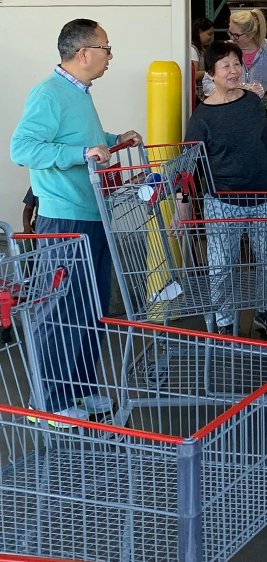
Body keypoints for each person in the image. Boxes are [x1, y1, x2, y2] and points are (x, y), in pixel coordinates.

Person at [10, 18, 142, 424]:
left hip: (91, 213)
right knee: (61, 309)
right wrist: (82, 152)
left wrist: (113, 138)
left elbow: (77, 137)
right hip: (64, 219)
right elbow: (23, 147)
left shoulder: (78, 94)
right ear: (83, 53)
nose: (110, 55)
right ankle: (47, 401)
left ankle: (80, 389)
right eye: (106, 47)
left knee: (91, 306)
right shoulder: (48, 93)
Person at [184, 41, 267, 338]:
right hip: (222, 201)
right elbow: (191, 165)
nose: (233, 70)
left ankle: (265, 312)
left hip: (264, 196)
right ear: (211, 74)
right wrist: (183, 201)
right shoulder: (202, 117)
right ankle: (224, 322)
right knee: (221, 267)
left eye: (237, 63)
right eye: (225, 65)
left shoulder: (252, 101)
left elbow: (265, 143)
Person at [203, 8, 267, 96]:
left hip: (261, 107)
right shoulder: (224, 49)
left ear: (251, 34)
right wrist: (232, 92)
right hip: (230, 107)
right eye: (230, 32)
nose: (231, 38)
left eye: (236, 35)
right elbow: (207, 83)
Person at [191, 17, 215, 83]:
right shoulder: (192, 50)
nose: (210, 38)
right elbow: (194, 75)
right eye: (209, 34)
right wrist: (213, 72)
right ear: (200, 31)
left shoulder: (202, 49)